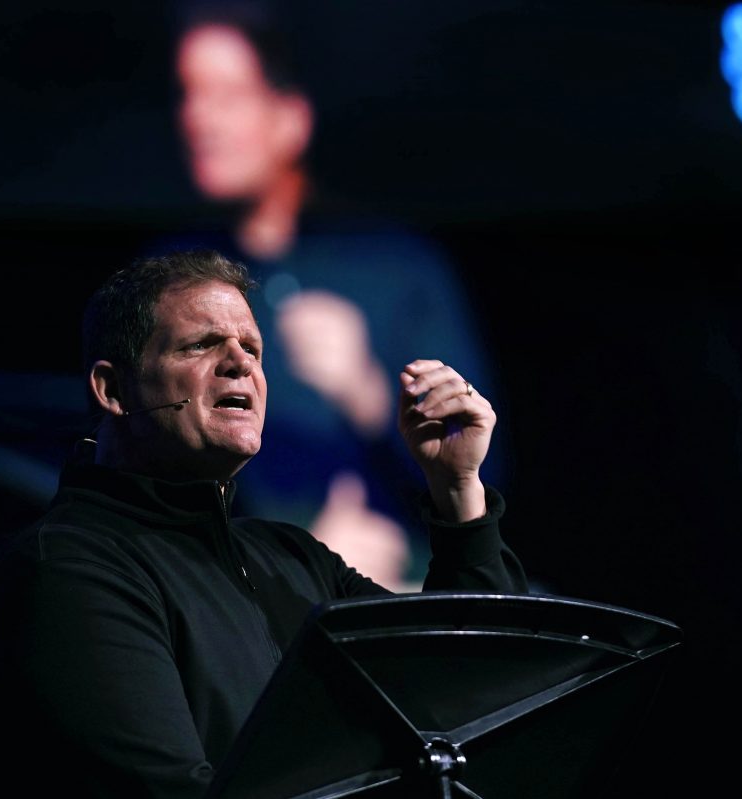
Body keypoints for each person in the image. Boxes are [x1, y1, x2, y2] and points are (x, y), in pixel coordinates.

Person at [0, 249, 528, 799]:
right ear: (113, 389)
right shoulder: (71, 566)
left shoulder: (294, 558)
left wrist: (457, 487)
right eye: (201, 344)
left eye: (253, 349)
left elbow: (469, 692)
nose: (239, 362)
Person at [155, 0, 509, 589]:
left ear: (290, 117)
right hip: (236, 588)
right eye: (189, 94)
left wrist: (368, 390)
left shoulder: (392, 266)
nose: (199, 118)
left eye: (227, 95)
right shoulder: (167, 280)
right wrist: (301, 556)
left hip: (403, 578)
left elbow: (483, 470)